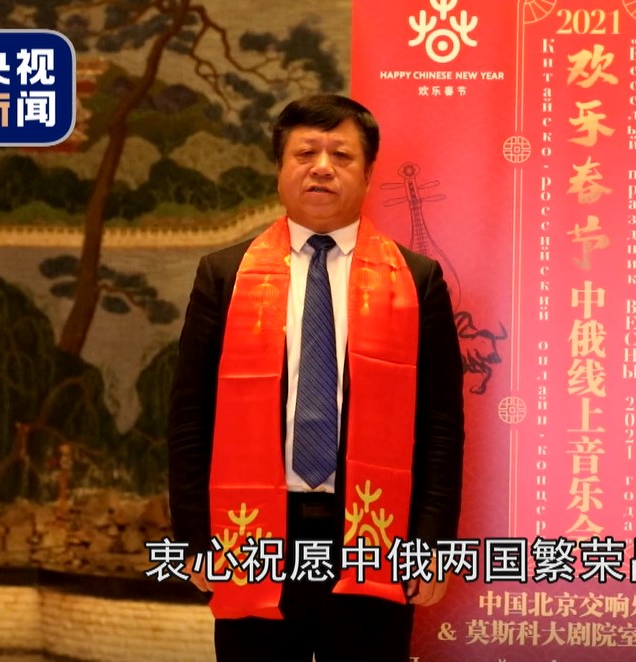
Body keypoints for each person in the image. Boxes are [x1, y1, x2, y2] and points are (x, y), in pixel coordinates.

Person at [167, 93, 465, 661]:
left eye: (341, 155)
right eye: (305, 153)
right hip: (253, 535)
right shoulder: (224, 275)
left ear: (368, 173)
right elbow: (189, 418)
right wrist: (196, 537)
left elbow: (441, 428)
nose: (322, 167)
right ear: (280, 169)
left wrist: (432, 545)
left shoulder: (417, 280)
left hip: (374, 537)